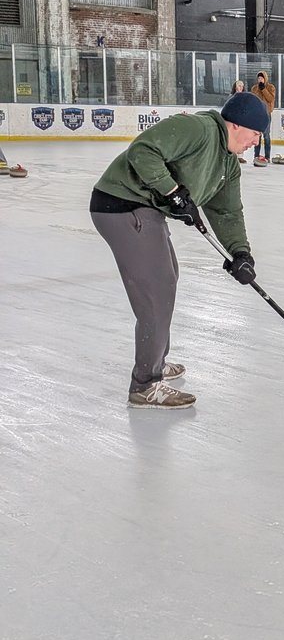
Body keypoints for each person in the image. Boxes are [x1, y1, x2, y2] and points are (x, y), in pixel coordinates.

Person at [89, 91, 269, 409]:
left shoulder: (228, 163)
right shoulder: (198, 129)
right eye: (255, 133)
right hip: (121, 205)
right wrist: (172, 193)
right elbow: (142, 151)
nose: (256, 141)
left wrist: (241, 253)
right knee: (156, 290)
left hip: (146, 210)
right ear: (237, 125)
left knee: (168, 276)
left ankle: (155, 359)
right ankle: (146, 383)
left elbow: (227, 212)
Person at [251, 71, 276, 166]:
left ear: (265, 79)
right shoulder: (254, 88)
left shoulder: (271, 87)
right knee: (257, 135)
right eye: (259, 78)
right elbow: (253, 99)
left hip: (266, 114)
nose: (260, 80)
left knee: (266, 135)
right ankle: (256, 156)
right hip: (257, 114)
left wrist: (263, 89)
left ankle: (267, 156)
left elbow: (270, 99)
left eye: (261, 78)